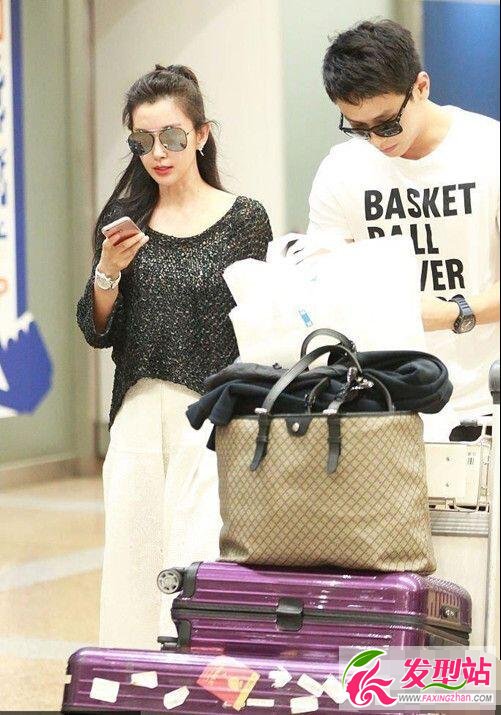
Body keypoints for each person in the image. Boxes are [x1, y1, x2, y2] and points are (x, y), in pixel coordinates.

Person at [77, 64, 272, 648]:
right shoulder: (125, 223)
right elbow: (96, 329)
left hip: (213, 417)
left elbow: (261, 324)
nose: (158, 153)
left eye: (171, 137)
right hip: (138, 413)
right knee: (132, 561)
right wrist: (108, 271)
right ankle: (130, 677)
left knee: (199, 556)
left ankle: (197, 679)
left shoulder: (244, 220)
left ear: (202, 134)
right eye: (143, 141)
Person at [290, 19, 499, 437]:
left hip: (485, 397)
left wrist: (453, 312)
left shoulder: (488, 149)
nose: (378, 140)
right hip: (380, 402)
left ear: (421, 87)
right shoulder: (341, 170)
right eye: (358, 128)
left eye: (387, 123)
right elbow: (321, 285)